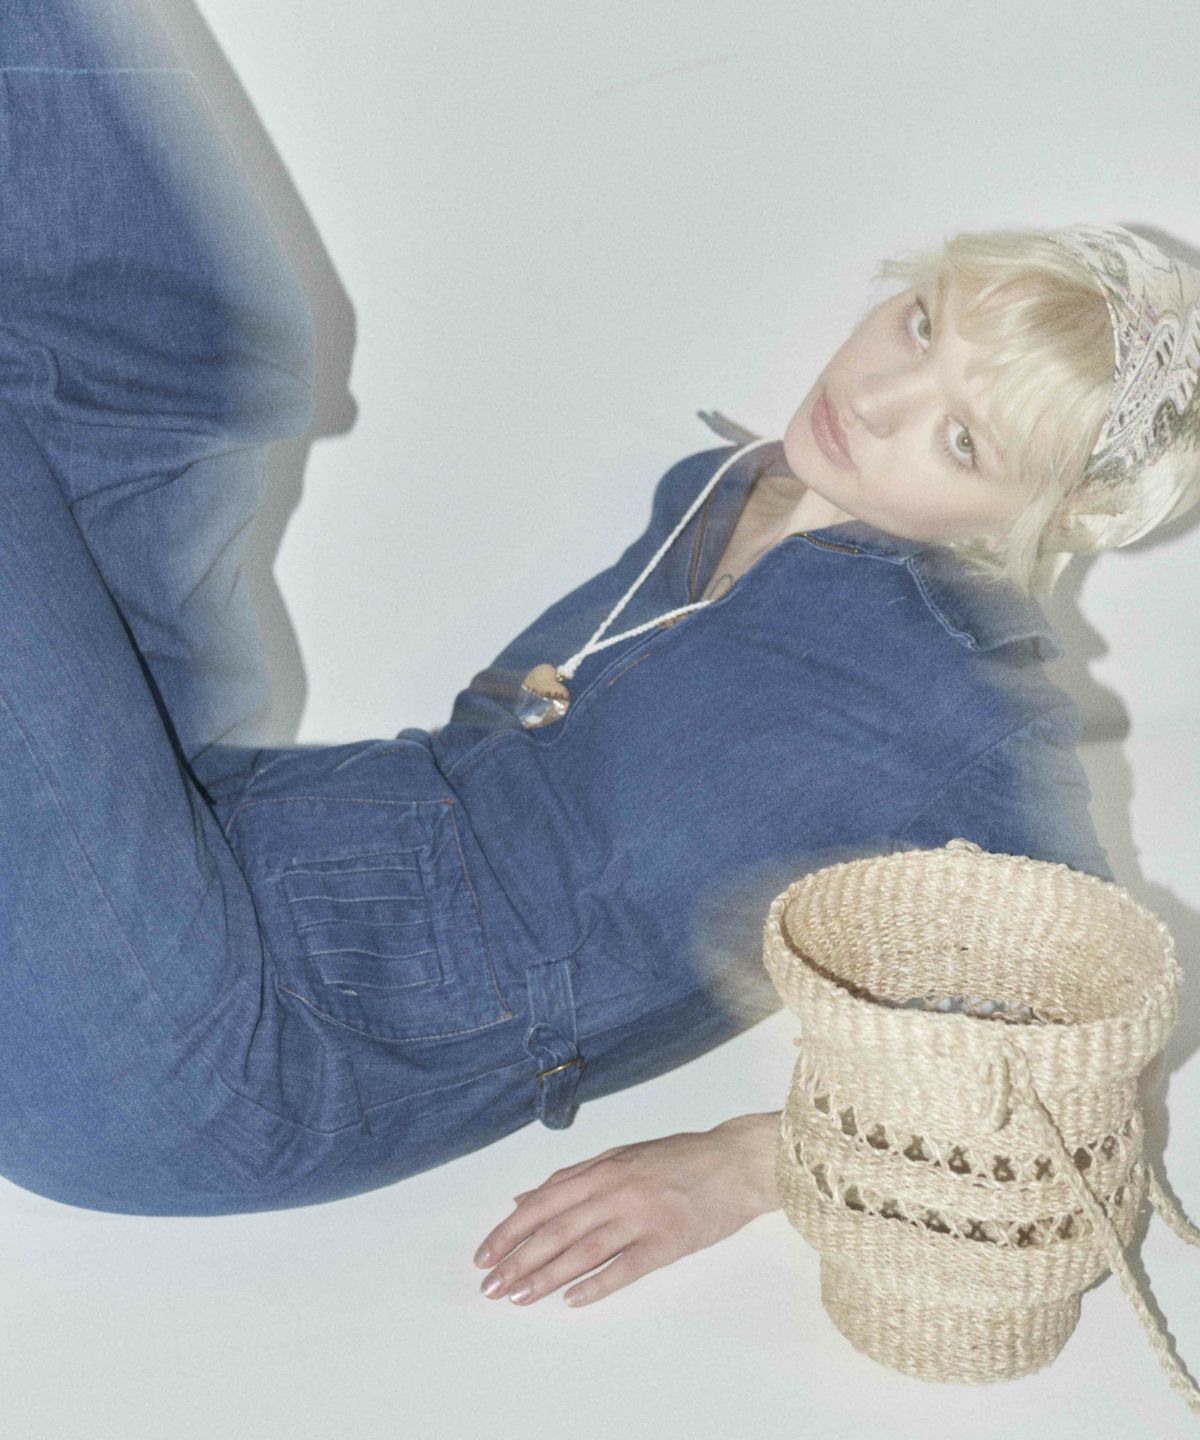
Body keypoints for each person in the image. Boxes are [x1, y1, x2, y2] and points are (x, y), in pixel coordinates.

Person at [1, 1, 1196, 1309]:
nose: (876, 398)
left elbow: (1088, 1048)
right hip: (203, 824)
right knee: (183, 353)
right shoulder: (731, 486)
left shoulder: (966, 700)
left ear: (1037, 516)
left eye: (964, 440)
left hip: (219, 1054)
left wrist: (745, 1165)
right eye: (922, 325)